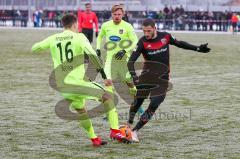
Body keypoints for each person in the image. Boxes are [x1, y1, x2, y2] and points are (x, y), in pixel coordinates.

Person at [31, 14, 131, 146]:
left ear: (63, 25)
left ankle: (94, 139)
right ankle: (115, 131)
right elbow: (93, 55)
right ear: (75, 25)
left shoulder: (54, 38)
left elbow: (34, 48)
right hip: (79, 83)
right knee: (109, 98)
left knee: (82, 112)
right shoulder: (79, 37)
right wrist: (104, 76)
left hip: (63, 87)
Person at [127, 18, 211, 142]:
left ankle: (135, 130)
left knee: (154, 104)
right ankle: (129, 123)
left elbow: (180, 43)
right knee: (137, 102)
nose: (146, 34)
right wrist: (135, 77)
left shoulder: (165, 36)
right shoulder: (142, 42)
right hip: (146, 77)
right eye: (144, 31)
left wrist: (197, 48)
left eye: (148, 31)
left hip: (163, 79)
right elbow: (130, 62)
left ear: (155, 28)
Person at [96, 4, 144, 114]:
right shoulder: (105, 25)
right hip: (110, 60)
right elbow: (99, 36)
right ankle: (109, 110)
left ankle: (138, 104)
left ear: (123, 15)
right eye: (115, 14)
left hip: (123, 60)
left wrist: (124, 51)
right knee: (108, 82)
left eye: (119, 14)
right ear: (111, 14)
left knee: (129, 83)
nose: (117, 16)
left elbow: (135, 41)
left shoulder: (127, 26)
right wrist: (98, 48)